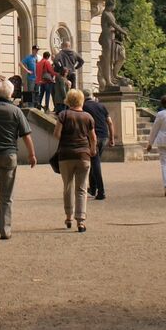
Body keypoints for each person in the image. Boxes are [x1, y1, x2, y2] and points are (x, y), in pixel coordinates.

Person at [0, 77, 35, 240]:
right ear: (11, 94)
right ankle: (5, 229)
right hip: (9, 155)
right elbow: (26, 135)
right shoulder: (16, 111)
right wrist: (32, 154)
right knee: (7, 194)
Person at [54, 88, 96, 232]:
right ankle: (81, 220)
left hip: (65, 155)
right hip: (83, 154)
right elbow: (93, 138)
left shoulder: (63, 115)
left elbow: (56, 134)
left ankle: (68, 216)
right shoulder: (88, 117)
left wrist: (66, 141)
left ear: (68, 100)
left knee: (68, 186)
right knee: (82, 188)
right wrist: (92, 149)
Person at [84, 90, 115, 200]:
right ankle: (93, 188)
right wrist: (111, 138)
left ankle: (101, 191)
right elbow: (110, 122)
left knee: (95, 163)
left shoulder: (83, 107)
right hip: (104, 136)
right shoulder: (101, 106)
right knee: (94, 161)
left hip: (93, 138)